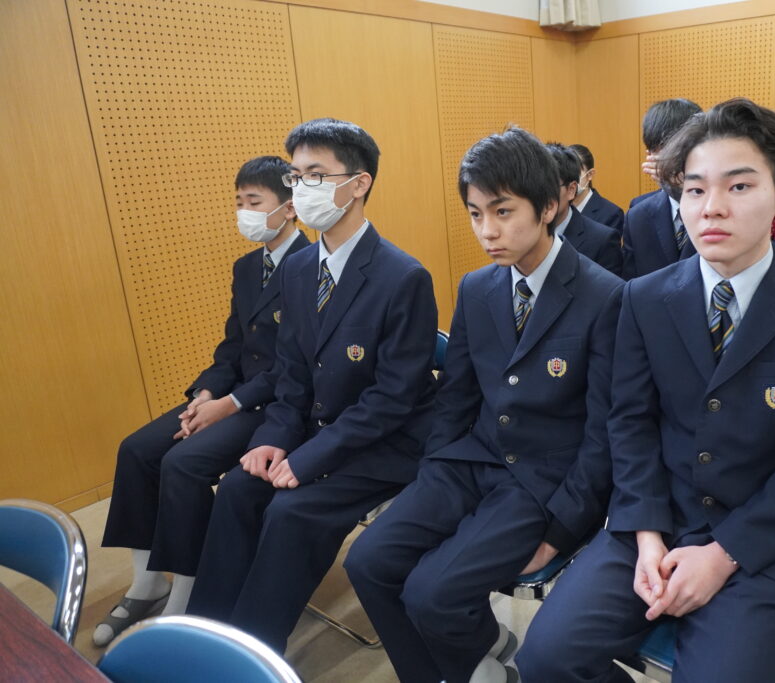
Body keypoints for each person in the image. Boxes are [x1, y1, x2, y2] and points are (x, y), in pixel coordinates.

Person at [516, 98, 775, 683]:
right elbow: (629, 424)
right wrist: (646, 535)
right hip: (653, 520)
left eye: (739, 186)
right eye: (696, 189)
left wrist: (723, 556)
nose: (712, 208)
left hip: (759, 541)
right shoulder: (643, 298)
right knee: (544, 659)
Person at [344, 127, 624, 683]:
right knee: (367, 562)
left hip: (540, 482)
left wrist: (561, 531)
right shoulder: (476, 287)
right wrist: (435, 468)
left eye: (502, 211)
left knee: (431, 594)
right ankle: (461, 666)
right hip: (468, 461)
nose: (487, 231)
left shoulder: (606, 295)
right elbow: (456, 394)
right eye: (475, 214)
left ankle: (481, 661)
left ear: (549, 207)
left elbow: (605, 432)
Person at [186, 118, 438, 653]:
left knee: (290, 511)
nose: (302, 189)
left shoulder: (403, 276)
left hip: (383, 442)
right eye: (296, 176)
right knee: (238, 489)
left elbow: (391, 399)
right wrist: (272, 438)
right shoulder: (298, 269)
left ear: (359, 183)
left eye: (316, 175)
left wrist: (308, 458)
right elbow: (292, 372)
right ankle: (206, 637)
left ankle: (254, 654)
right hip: (315, 430)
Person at [94, 156, 309, 646]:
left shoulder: (311, 266)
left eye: (254, 201)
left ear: (289, 208)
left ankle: (188, 593)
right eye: (239, 202)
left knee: (183, 464)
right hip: (230, 394)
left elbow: (295, 366)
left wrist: (230, 403)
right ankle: (147, 582)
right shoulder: (247, 267)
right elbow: (232, 347)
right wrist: (205, 393)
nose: (244, 212)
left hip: (274, 403)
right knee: (137, 449)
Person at [622, 98, 703, 279]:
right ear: (650, 156)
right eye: (663, 154)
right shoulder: (638, 216)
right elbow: (631, 285)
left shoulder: (719, 208)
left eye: (678, 153)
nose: (671, 164)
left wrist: (687, 189)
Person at [547, 142, 622, 275]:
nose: (541, 195)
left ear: (571, 189)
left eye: (550, 186)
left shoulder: (603, 238)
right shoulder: (526, 232)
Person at [570, 143, 625, 235]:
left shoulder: (611, 213)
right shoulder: (557, 209)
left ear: (590, 175)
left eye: (575, 172)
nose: (569, 178)